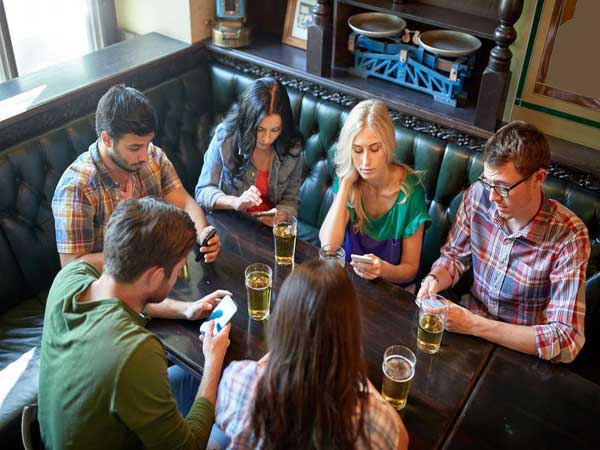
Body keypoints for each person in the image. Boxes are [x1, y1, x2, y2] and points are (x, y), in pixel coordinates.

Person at [39, 197, 231, 450]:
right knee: (241, 422)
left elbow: (123, 295)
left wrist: (186, 309)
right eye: (177, 271)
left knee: (189, 377)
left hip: (54, 436)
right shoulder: (135, 351)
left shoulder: (70, 276)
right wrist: (213, 362)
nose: (176, 278)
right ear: (154, 276)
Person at [418, 121, 590, 363]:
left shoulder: (569, 236)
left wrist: (474, 325)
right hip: (470, 327)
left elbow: (566, 340)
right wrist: (434, 280)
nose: (492, 196)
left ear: (538, 178)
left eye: (502, 187)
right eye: (488, 182)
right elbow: (454, 258)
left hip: (523, 351)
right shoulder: (478, 196)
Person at [214, 259, 409, 449]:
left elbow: (223, 424)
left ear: (281, 322)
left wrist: (288, 345)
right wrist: (355, 368)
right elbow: (401, 440)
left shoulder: (238, 380)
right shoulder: (374, 421)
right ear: (352, 334)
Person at [52, 84, 220, 269]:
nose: (145, 156)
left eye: (147, 144)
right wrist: (141, 253)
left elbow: (183, 201)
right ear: (107, 139)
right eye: (134, 148)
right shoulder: (77, 187)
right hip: (108, 286)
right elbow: (72, 265)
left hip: (155, 272)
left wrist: (203, 235)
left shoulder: (153, 156)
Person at [319, 99, 430, 284]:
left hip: (391, 289)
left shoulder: (411, 192)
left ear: (387, 146)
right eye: (357, 150)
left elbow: (410, 269)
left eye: (374, 149)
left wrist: (383, 270)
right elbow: (329, 247)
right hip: (349, 281)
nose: (365, 162)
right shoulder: (349, 180)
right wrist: (346, 183)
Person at [195, 77, 303, 227]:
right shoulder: (225, 137)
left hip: (268, 231)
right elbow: (202, 191)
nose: (266, 139)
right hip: (232, 223)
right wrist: (235, 202)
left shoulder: (292, 147)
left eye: (275, 130)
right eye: (260, 129)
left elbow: (291, 200)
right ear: (247, 121)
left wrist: (281, 215)